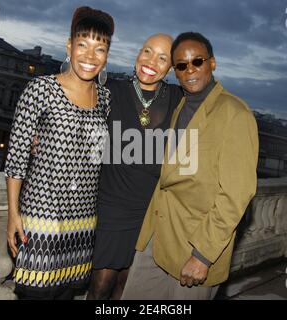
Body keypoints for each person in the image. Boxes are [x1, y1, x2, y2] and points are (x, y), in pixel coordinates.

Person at [121, 32, 259, 300]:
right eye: (181, 65)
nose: (190, 70)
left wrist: (203, 256)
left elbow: (236, 195)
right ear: (175, 71)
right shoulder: (181, 106)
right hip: (156, 239)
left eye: (197, 61)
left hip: (195, 247)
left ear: (213, 63)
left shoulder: (236, 114)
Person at [4, 6, 114, 300]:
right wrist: (13, 213)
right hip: (42, 215)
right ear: (69, 47)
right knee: (37, 294)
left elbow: (100, 156)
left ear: (107, 56)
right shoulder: (41, 90)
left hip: (83, 220)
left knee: (67, 294)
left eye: (100, 49)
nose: (90, 57)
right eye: (83, 45)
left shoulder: (105, 99)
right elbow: (16, 157)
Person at [87, 34, 183, 300]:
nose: (151, 61)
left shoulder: (178, 99)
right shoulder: (110, 91)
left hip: (150, 211)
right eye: (147, 51)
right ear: (137, 53)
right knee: (100, 286)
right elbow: (80, 122)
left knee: (129, 287)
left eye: (162, 58)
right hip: (112, 205)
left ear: (171, 68)